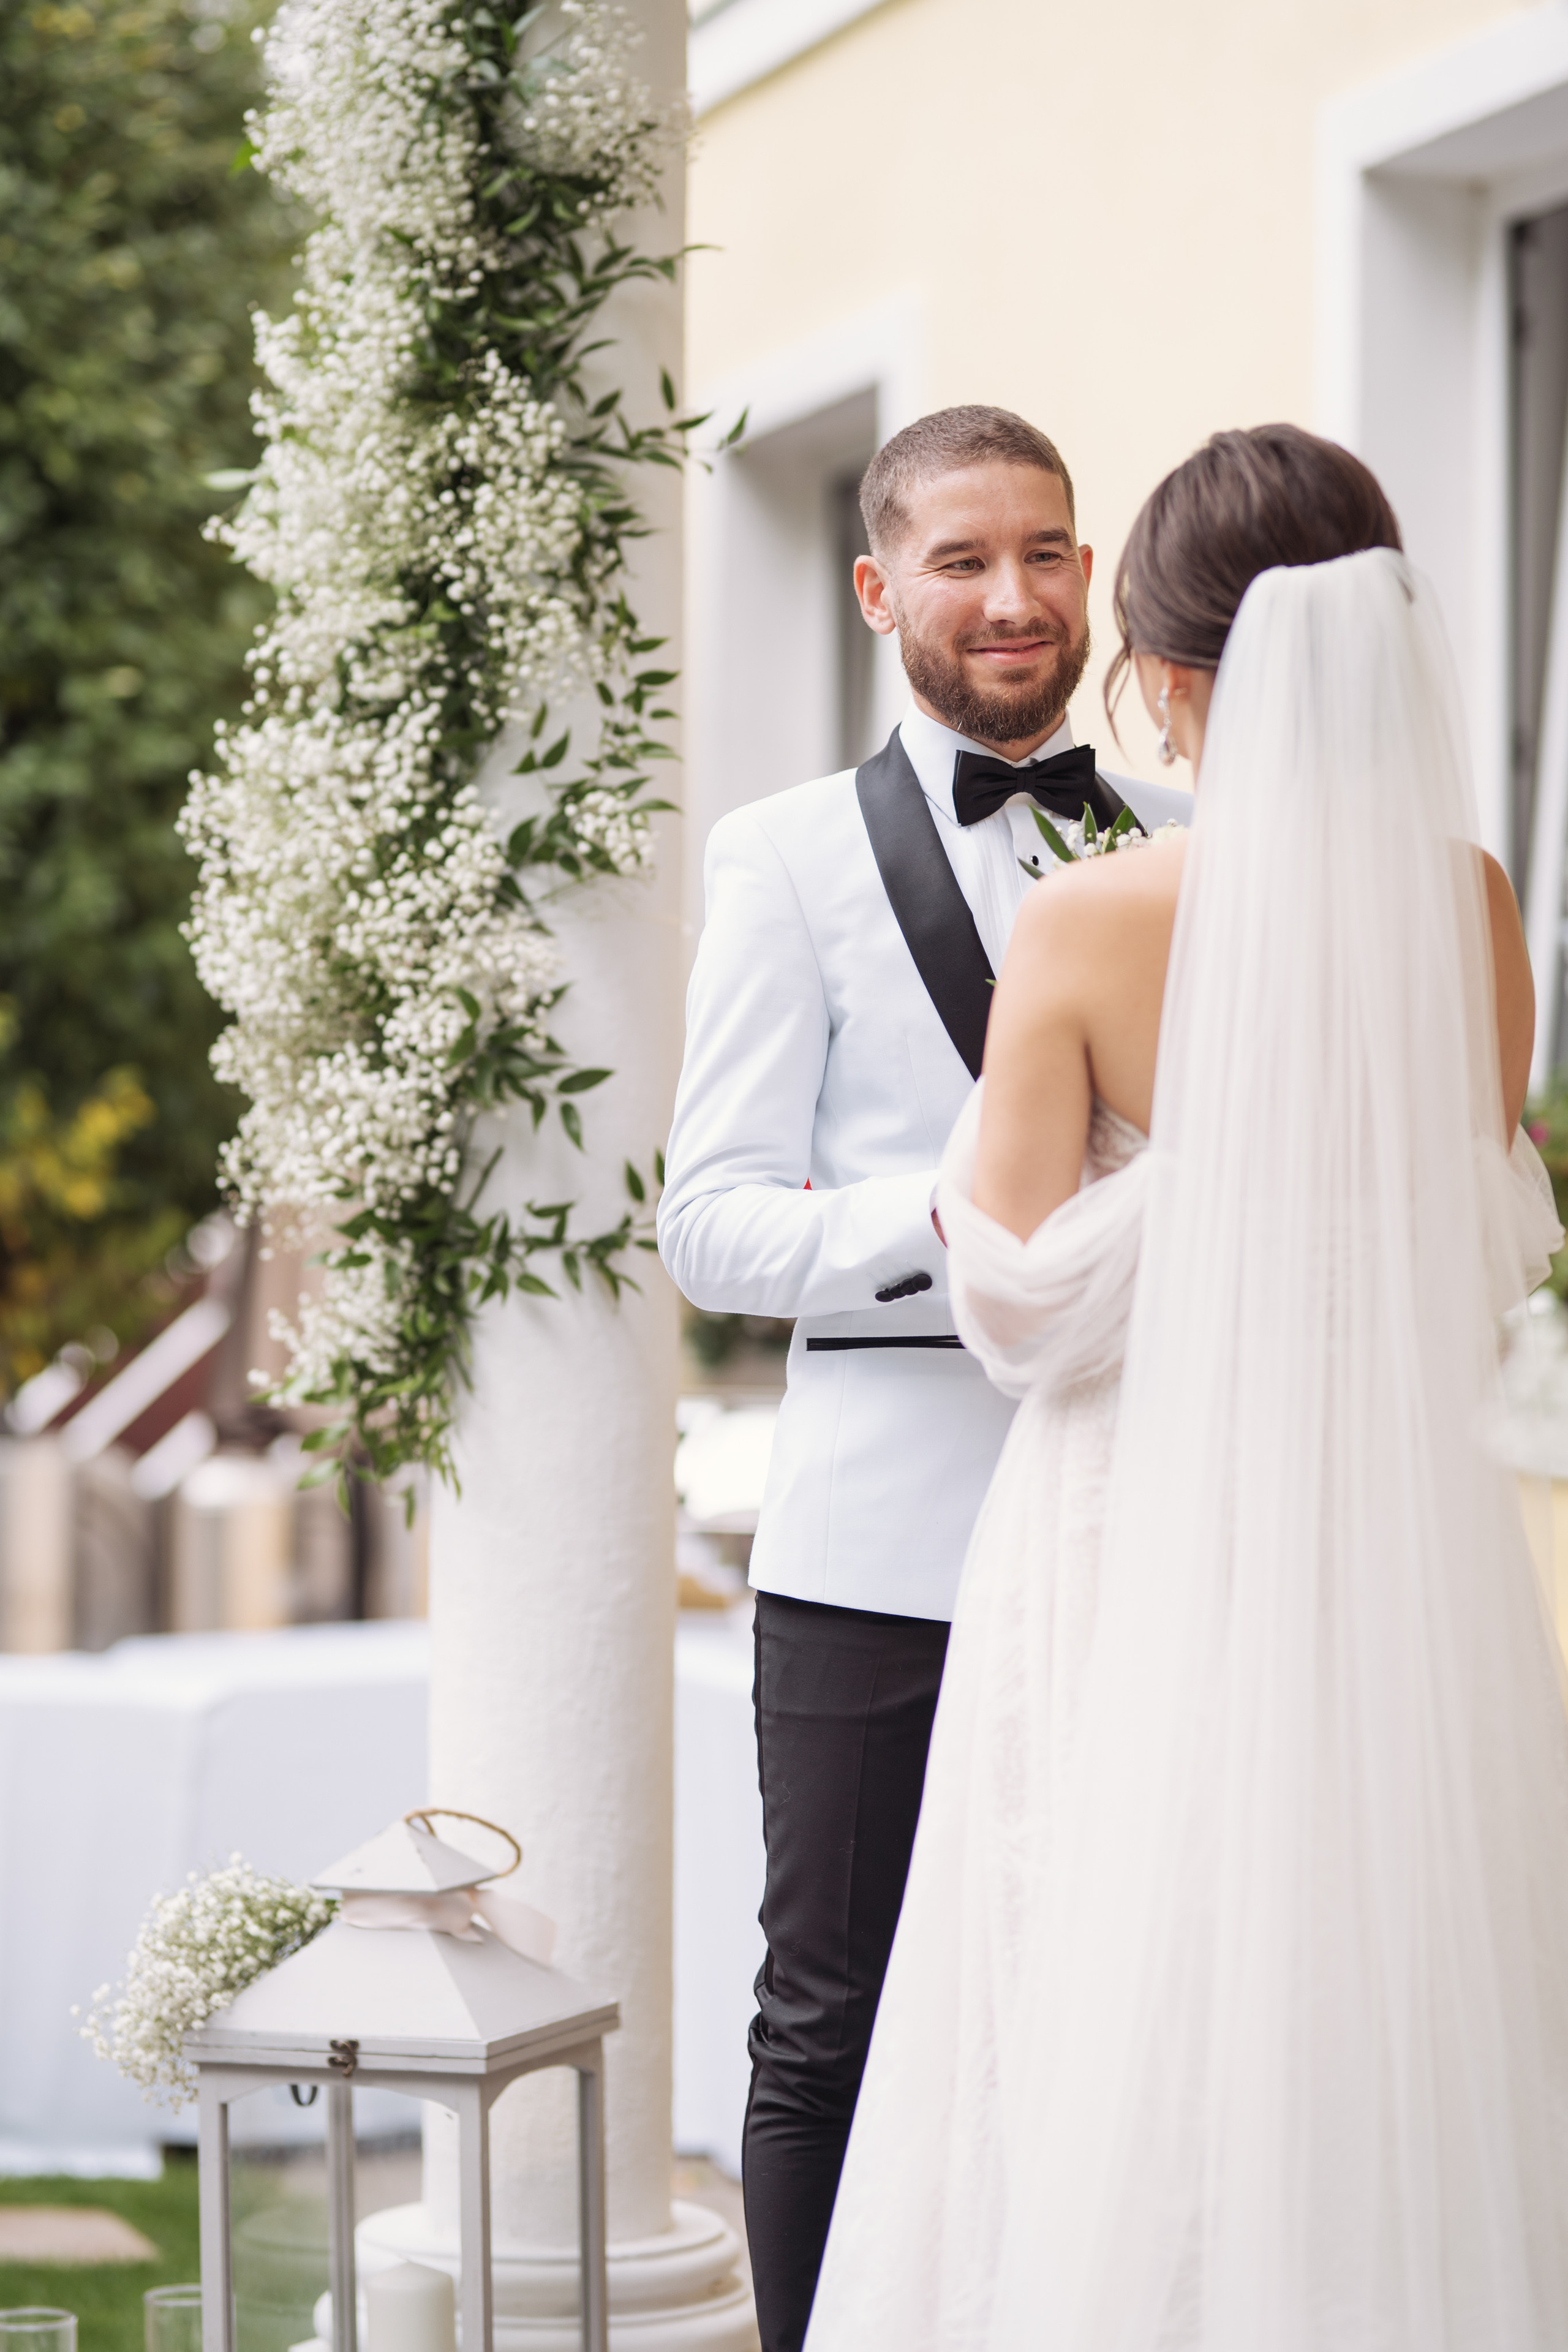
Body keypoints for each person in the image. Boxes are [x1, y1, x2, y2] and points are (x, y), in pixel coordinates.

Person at [804, 424, 1568, 2350]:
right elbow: (1472, 1251)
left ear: (1162, 669)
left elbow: (1025, 1308)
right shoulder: (1476, 906)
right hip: (1382, 1549)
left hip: (1128, 1544)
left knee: (1097, 2007)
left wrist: (1161, 1210)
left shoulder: (1085, 923)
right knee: (1368, 1992)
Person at [657, 405, 1191, 2352]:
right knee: (832, 2021)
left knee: (1105, 2006)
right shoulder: (784, 854)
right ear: (883, 591)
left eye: (1046, 552)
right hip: (879, 1558)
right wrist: (970, 1216)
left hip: (1143, 1527)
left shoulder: (1195, 836)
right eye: (963, 560)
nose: (1014, 597)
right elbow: (708, 1228)